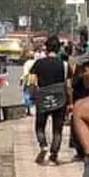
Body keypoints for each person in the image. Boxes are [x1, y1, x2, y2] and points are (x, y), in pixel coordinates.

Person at [29, 36, 71, 164]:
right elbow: (68, 85)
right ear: (59, 49)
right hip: (60, 98)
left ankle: (43, 145)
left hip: (43, 98)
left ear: (46, 48)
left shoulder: (38, 63)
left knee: (40, 126)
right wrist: (70, 102)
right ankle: (54, 154)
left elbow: (31, 82)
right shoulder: (64, 65)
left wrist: (33, 95)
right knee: (57, 129)